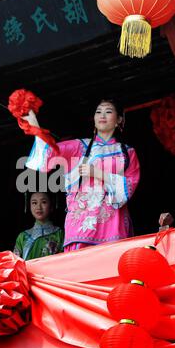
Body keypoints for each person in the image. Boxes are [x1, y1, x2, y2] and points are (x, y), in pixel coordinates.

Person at [24, 97, 140, 252]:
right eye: (98, 112)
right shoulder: (79, 147)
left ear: (119, 119)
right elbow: (50, 153)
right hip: (80, 230)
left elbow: (129, 186)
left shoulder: (127, 152)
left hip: (113, 226)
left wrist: (97, 173)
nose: (102, 115)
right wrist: (34, 125)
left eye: (108, 111)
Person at [14, 191, 64, 260]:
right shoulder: (23, 236)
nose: (38, 207)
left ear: (51, 206)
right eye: (34, 203)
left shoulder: (60, 234)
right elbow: (16, 264)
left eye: (43, 202)